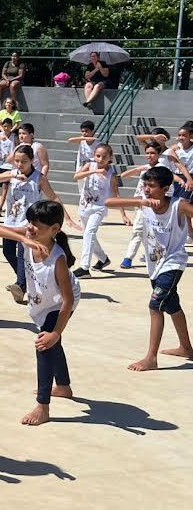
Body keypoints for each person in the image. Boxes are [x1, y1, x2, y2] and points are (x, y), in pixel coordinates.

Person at [0, 201, 80, 425]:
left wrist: (56, 332)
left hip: (59, 304)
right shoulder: (29, 236)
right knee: (49, 342)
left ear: (55, 229)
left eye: (37, 225)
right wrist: (24, 238)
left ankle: (42, 405)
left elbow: (67, 300)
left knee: (45, 344)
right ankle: (64, 387)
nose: (30, 228)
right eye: (30, 223)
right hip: (42, 302)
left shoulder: (58, 261)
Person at [105, 166, 193, 371]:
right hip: (154, 265)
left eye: (152, 186)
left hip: (173, 263)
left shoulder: (178, 206)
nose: (146, 189)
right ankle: (187, 348)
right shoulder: (144, 202)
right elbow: (108, 202)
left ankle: (151, 358)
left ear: (165, 188)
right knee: (171, 305)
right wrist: (140, 201)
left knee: (155, 306)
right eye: (145, 185)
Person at [0, 144, 63, 303]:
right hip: (10, 222)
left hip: (28, 225)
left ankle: (21, 286)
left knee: (22, 254)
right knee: (7, 252)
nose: (20, 165)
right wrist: (11, 176)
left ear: (32, 161)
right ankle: (25, 280)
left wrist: (64, 217)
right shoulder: (12, 173)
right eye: (17, 161)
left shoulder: (39, 178)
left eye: (24, 161)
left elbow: (53, 197)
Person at [119, 141, 190, 269]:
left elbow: (171, 176)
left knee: (148, 231)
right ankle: (133, 257)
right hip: (143, 203)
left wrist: (181, 180)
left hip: (157, 205)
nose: (149, 155)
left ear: (159, 154)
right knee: (139, 230)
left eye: (152, 153)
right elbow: (123, 175)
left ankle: (130, 257)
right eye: (147, 153)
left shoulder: (162, 168)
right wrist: (138, 169)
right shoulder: (146, 168)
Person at [72, 143, 129, 277]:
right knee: (87, 234)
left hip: (99, 208)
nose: (100, 159)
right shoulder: (89, 165)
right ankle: (103, 259)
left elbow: (116, 194)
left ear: (110, 158)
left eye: (104, 156)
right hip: (85, 205)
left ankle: (84, 267)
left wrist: (123, 215)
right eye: (98, 156)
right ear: (94, 155)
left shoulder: (111, 175)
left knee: (89, 233)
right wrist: (94, 171)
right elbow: (76, 177)